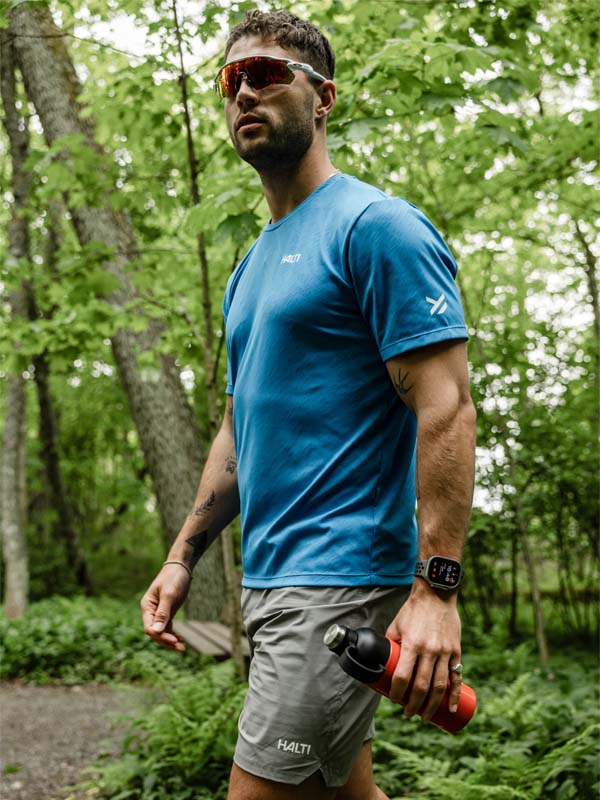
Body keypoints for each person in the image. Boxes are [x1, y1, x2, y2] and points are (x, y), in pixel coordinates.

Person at [141, 10, 476, 800]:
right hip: (272, 579)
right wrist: (181, 555)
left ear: (322, 98)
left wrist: (436, 591)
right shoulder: (249, 267)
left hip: (339, 581)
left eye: (267, 74)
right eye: (232, 79)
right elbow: (239, 427)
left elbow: (447, 407)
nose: (245, 92)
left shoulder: (377, 227)